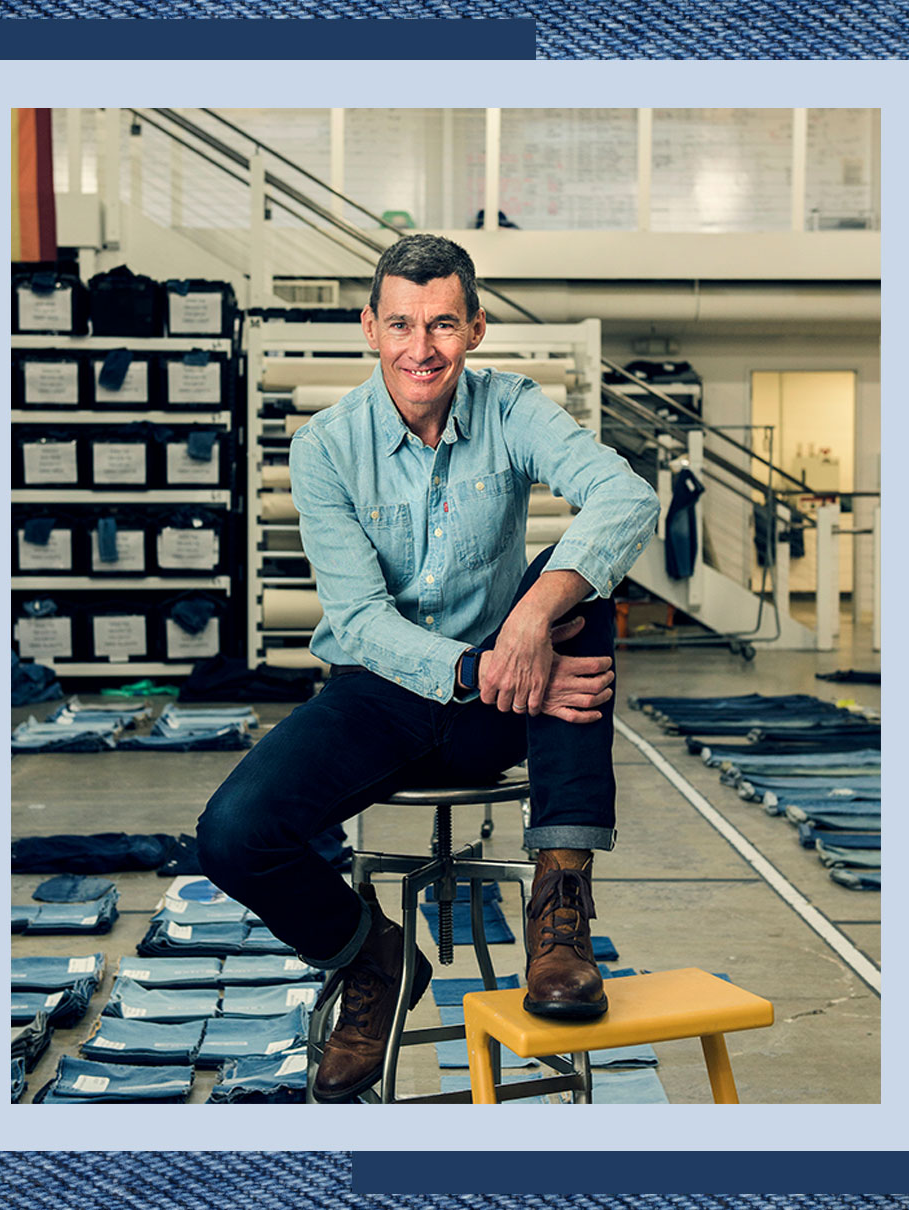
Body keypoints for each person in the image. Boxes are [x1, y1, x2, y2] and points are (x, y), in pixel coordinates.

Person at [197, 234, 659, 1102]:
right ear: (370, 328)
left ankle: (560, 907)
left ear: (476, 329)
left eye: (443, 323)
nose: (422, 348)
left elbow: (626, 495)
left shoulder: (511, 408)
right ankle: (372, 961)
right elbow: (362, 624)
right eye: (402, 324)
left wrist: (528, 621)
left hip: (503, 707)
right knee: (231, 836)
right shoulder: (326, 446)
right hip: (382, 697)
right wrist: (486, 665)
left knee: (579, 591)